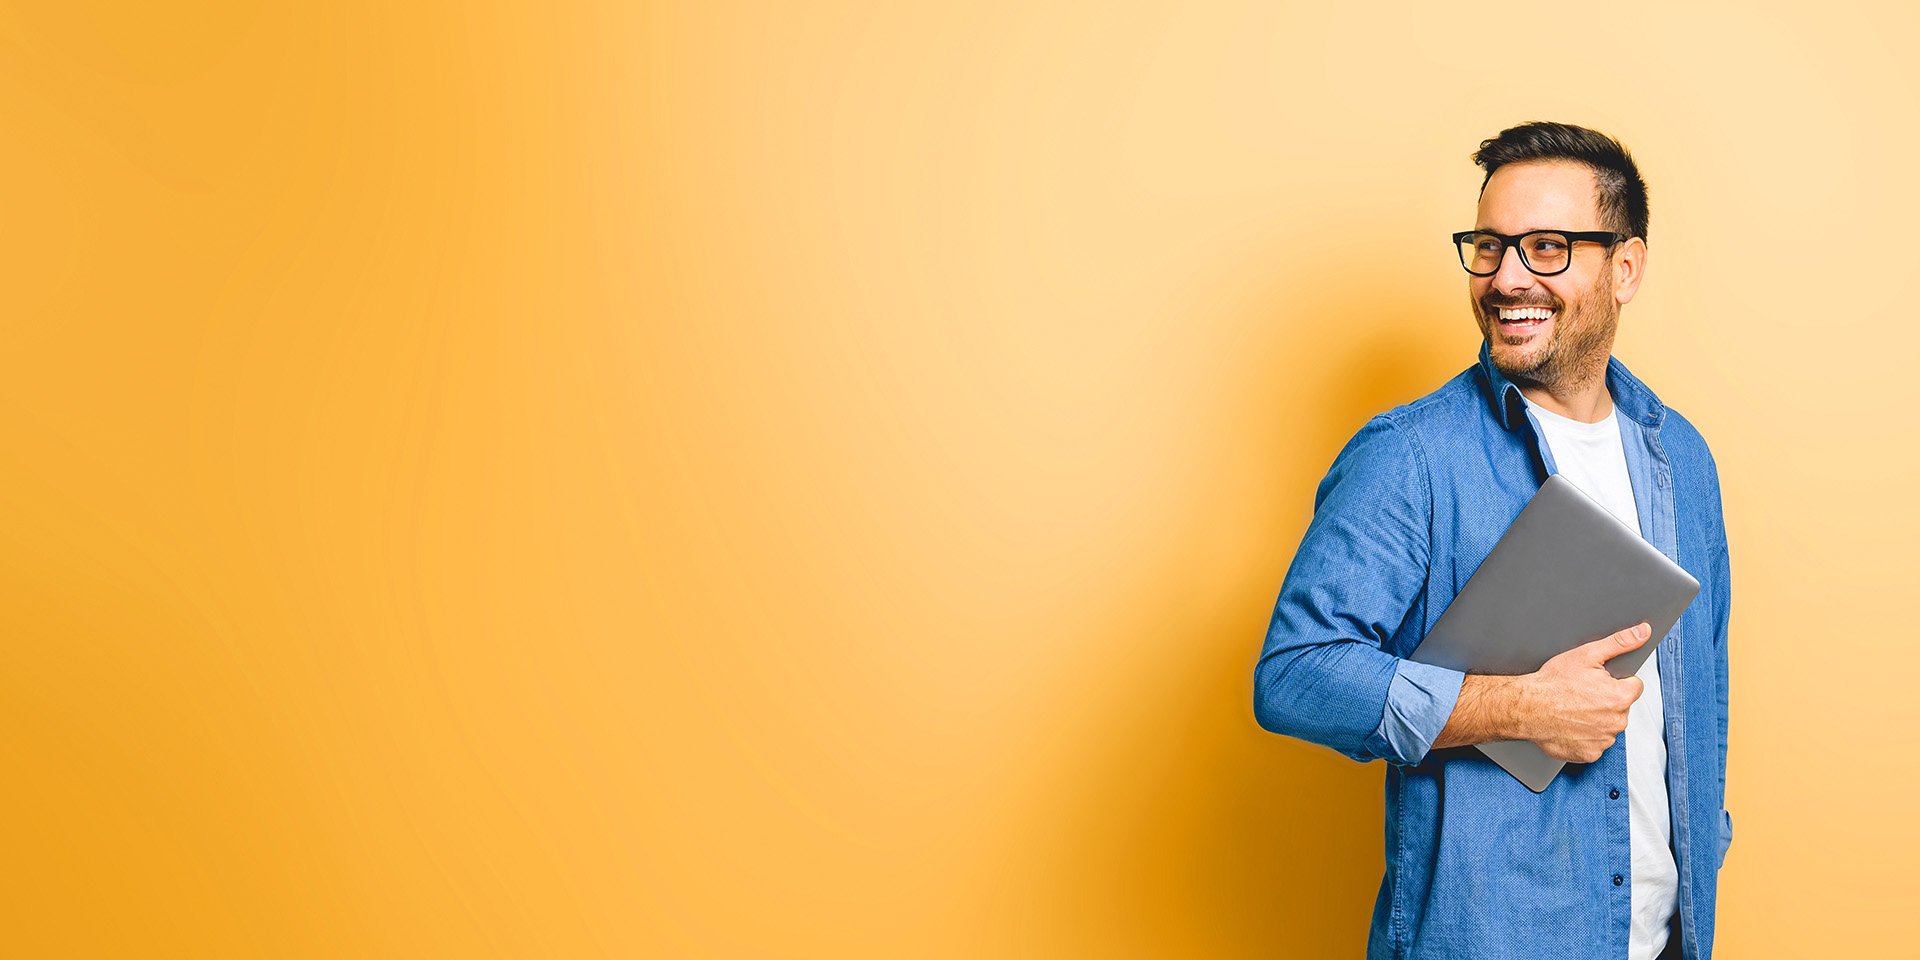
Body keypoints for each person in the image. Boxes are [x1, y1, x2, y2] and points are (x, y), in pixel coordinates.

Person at [1252, 121, 1733, 960]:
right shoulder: (1412, 456)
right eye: (1489, 245)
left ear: (1626, 268)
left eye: (1546, 247)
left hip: (1666, 938)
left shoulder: (1680, 456)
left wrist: (1707, 846)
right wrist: (1518, 706)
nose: (1507, 278)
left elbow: (1703, 698)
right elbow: (1293, 675)